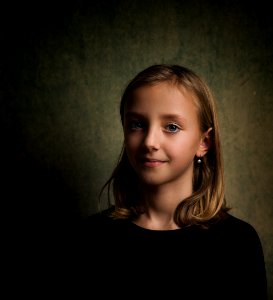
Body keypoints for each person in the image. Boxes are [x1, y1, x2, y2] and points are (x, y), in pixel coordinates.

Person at [77, 64, 267, 299]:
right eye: (137, 124)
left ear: (204, 142)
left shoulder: (236, 243)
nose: (150, 141)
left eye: (172, 127)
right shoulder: (91, 238)